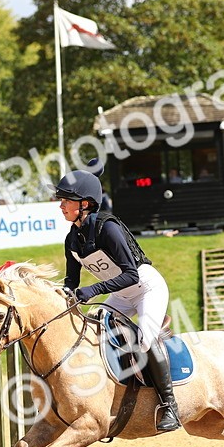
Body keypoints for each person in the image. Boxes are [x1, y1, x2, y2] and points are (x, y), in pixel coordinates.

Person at [55, 168, 180, 432]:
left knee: (145, 339)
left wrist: (94, 290)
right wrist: (63, 294)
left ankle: (169, 405)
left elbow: (131, 274)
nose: (61, 205)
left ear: (85, 204)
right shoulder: (72, 239)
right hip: (121, 294)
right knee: (93, 331)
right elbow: (71, 281)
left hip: (146, 287)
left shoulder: (108, 228)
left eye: (66, 199)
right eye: (61, 199)